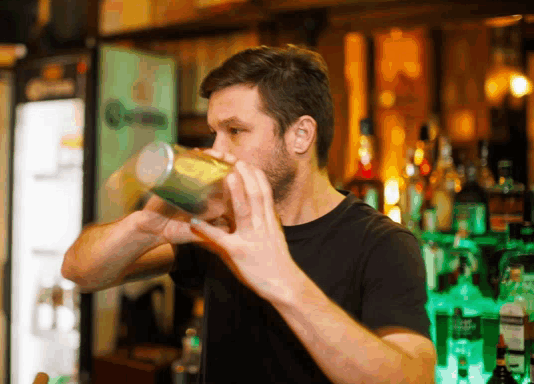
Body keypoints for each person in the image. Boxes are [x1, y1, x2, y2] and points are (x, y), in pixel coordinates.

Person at [62, 45, 436, 383]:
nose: (216, 151)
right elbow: (80, 272)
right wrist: (143, 226)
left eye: (235, 131)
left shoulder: (382, 244)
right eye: (214, 133)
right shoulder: (221, 226)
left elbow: (413, 378)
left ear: (301, 135)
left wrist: (282, 280)